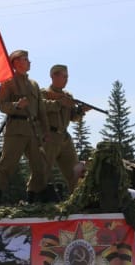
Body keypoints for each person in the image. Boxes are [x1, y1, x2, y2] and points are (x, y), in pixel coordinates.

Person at [0, 50, 49, 205]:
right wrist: (16, 105)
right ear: (16, 62)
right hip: (16, 128)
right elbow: (2, 105)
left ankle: (32, 200)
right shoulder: (8, 82)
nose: (29, 62)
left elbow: (41, 110)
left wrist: (45, 130)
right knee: (7, 164)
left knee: (40, 166)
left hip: (34, 130)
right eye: (25, 59)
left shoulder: (34, 84)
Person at [41, 64, 91, 194]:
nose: (66, 79)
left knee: (75, 171)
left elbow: (73, 117)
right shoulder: (44, 94)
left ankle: (75, 199)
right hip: (49, 136)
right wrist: (59, 103)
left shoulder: (68, 95)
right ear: (54, 76)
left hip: (64, 137)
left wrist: (81, 111)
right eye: (64, 76)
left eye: (67, 76)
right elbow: (40, 108)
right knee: (42, 171)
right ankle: (33, 199)